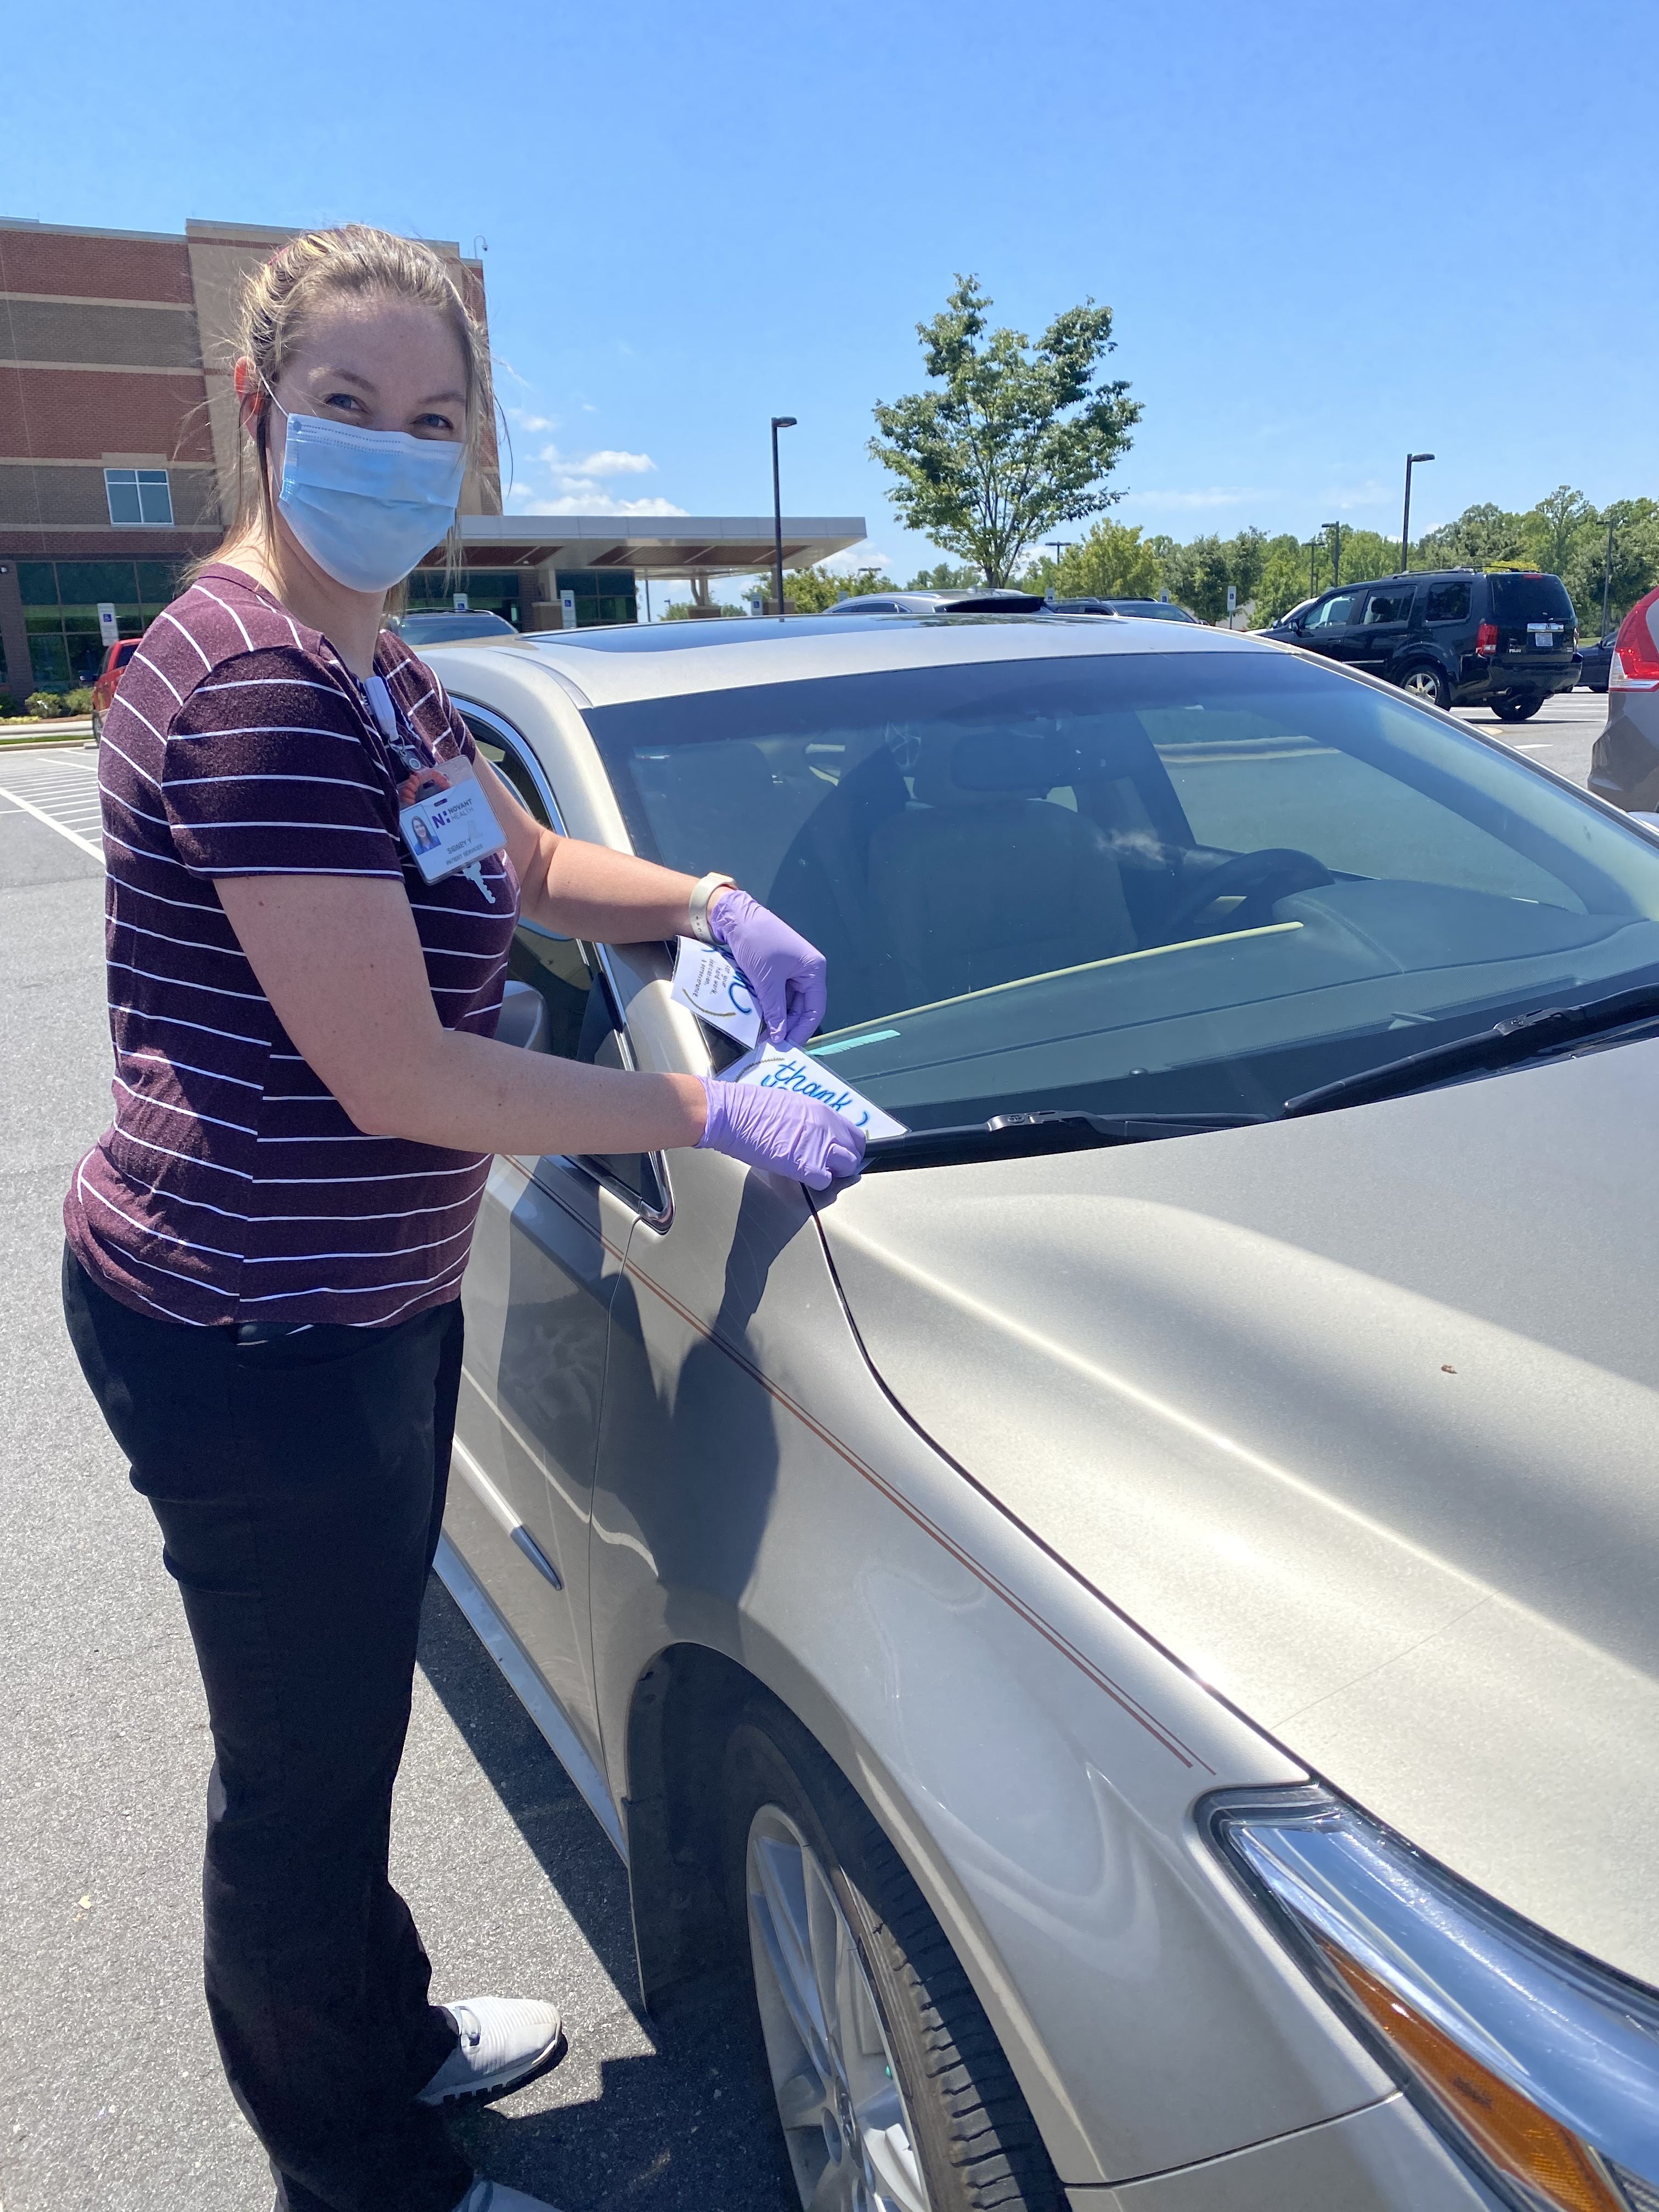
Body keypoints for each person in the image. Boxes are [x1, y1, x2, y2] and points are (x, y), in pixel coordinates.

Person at [61, 223, 862, 2212]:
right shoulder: (250, 680)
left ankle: (392, 2035)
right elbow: (402, 1077)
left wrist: (689, 905)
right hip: (252, 1330)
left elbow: (508, 857)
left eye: (435, 417)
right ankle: (356, 2169)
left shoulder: (373, 649)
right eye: (349, 409)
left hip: (360, 1308)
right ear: (259, 413)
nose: (396, 450)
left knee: (340, 1743)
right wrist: (700, 1099)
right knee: (301, 1784)